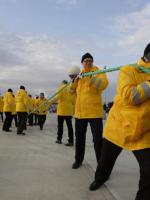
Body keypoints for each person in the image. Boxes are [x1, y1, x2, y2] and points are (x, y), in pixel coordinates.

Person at [89, 43, 150, 200]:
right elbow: (131, 96)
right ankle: (99, 179)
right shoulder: (128, 70)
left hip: (144, 131)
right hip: (119, 127)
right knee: (105, 161)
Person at [70, 53, 108, 169]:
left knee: (97, 140)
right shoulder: (79, 74)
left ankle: (101, 165)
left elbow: (103, 85)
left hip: (94, 112)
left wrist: (91, 77)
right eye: (85, 60)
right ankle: (78, 160)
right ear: (82, 62)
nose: (88, 62)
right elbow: (71, 92)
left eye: (90, 60)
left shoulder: (98, 72)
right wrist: (75, 81)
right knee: (79, 139)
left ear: (93, 62)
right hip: (80, 113)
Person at [55, 79, 76, 146]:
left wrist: (49, 101)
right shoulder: (71, 89)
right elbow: (74, 101)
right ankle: (71, 141)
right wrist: (73, 111)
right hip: (69, 111)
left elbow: (57, 96)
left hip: (61, 110)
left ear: (62, 83)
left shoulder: (61, 87)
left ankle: (59, 139)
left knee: (60, 126)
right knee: (69, 126)